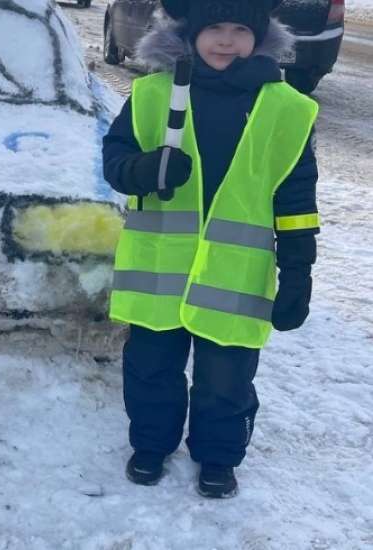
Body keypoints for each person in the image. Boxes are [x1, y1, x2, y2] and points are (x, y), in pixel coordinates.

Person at [102, 0, 320, 498]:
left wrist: (298, 271)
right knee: (151, 369)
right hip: (159, 271)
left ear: (260, 36)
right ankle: (151, 445)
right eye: (214, 28)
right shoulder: (154, 94)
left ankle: (219, 456)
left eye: (239, 29)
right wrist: (144, 171)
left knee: (228, 379)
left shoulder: (287, 109)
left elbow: (296, 198)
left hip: (235, 278)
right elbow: (116, 158)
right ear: (190, 33)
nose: (225, 40)